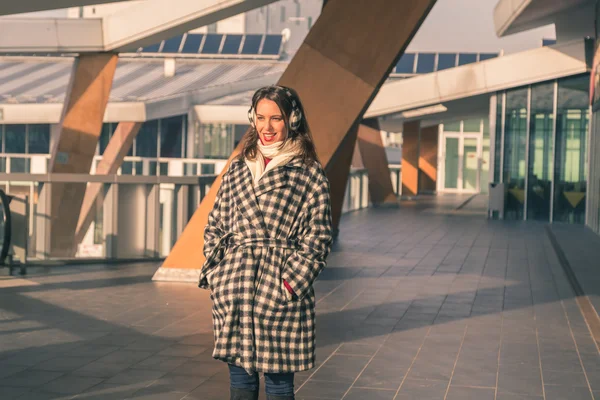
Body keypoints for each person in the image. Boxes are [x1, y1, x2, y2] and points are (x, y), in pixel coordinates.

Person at [198, 85, 333, 400]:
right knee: (240, 384)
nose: (267, 127)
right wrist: (219, 272)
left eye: (276, 118)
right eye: (260, 117)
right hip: (236, 288)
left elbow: (318, 236)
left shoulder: (308, 173)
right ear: (251, 118)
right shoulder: (237, 168)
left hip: (277, 288)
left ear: (292, 120)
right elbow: (216, 222)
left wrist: (289, 285)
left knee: (278, 385)